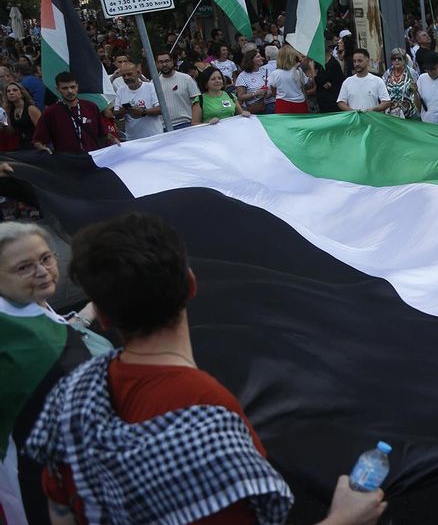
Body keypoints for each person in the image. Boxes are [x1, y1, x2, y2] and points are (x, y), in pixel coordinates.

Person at [25, 213, 385, 525]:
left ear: (101, 316)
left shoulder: (70, 395)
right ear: (191, 284)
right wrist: (345, 517)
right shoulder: (207, 414)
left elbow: (61, 510)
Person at [0, 222, 111, 525]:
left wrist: (85, 317)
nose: (42, 271)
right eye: (24, 267)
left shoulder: (26, 304)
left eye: (46, 258)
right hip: (42, 481)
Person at [31, 73, 119, 154]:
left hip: (92, 157)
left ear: (77, 87)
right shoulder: (51, 112)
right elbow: (38, 140)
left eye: (72, 87)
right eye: (65, 88)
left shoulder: (91, 107)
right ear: (58, 89)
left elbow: (104, 133)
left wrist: (115, 141)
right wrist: (46, 151)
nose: (70, 91)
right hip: (67, 161)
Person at [112, 65, 163, 140]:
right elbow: (116, 114)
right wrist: (125, 110)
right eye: (123, 76)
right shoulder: (121, 91)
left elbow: (161, 109)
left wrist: (143, 112)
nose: (126, 78)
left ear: (138, 73)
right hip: (133, 139)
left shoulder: (150, 87)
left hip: (154, 136)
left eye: (129, 74)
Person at [155, 51, 202, 131]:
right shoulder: (154, 83)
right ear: (156, 64)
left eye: (167, 61)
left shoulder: (186, 79)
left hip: (186, 124)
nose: (164, 64)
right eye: (161, 62)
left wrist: (194, 124)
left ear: (172, 61)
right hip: (164, 128)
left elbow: (196, 103)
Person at [267, 44, 313, 114]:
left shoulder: (275, 73)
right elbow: (307, 85)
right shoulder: (299, 71)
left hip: (283, 104)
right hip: (300, 103)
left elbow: (274, 92)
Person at [382, 48, 420, 120]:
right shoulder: (386, 74)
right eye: (394, 58)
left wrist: (414, 89)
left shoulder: (412, 73)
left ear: (404, 59)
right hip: (391, 115)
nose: (396, 60)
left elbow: (418, 92)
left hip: (410, 114)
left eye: (399, 58)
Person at [2, 82, 41, 149]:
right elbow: (11, 132)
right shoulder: (10, 111)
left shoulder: (31, 109)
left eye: (15, 90)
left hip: (35, 145)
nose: (11, 93)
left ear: (22, 93)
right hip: (21, 145)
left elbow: (41, 129)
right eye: (8, 91)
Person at [234, 49, 271, 115]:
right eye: (258, 57)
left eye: (260, 56)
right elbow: (241, 97)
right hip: (256, 110)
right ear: (251, 60)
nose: (262, 58)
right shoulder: (243, 76)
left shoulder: (265, 70)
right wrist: (256, 93)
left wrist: (270, 91)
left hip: (270, 105)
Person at [316, 40, 347, 113]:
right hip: (322, 101)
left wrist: (313, 72)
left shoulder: (333, 64)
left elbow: (320, 80)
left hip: (331, 101)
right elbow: (320, 82)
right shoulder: (320, 64)